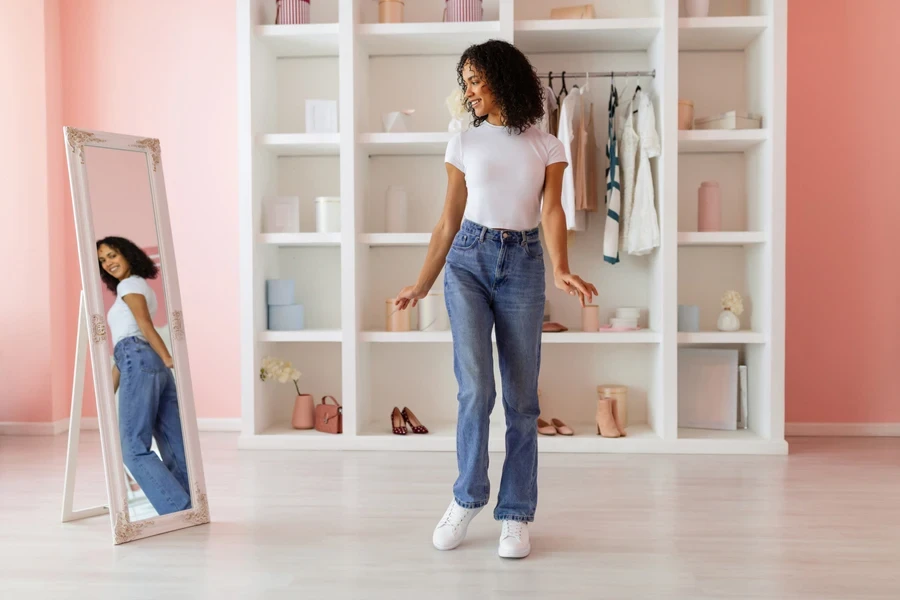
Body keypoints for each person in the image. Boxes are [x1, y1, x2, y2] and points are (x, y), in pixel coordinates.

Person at [394, 40, 598, 559]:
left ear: (501, 79)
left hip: (524, 264)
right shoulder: (463, 143)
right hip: (468, 261)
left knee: (522, 400)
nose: (468, 91)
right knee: (475, 391)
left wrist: (561, 268)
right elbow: (448, 220)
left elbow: (552, 211)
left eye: (475, 80)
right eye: (464, 82)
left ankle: (515, 513)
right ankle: (466, 498)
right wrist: (421, 283)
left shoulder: (547, 146)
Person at [97, 236, 191, 516]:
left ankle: (178, 507)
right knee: (173, 444)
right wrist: (106, 392)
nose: (108, 263)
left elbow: (144, 328)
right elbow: (127, 346)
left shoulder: (129, 284)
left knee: (133, 449)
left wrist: (169, 358)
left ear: (127, 254)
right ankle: (190, 510)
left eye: (112, 255)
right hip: (146, 364)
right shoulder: (138, 286)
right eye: (103, 260)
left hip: (140, 360)